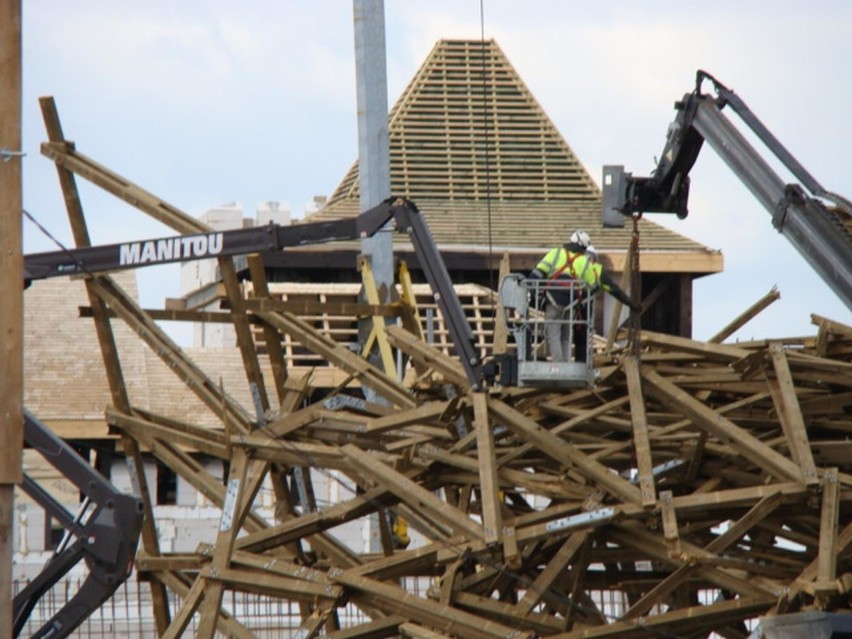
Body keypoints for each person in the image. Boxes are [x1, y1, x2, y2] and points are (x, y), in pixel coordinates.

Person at [529, 230, 639, 362]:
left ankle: (559, 365)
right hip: (571, 303)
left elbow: (536, 274)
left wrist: (534, 291)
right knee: (566, 334)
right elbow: (594, 286)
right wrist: (632, 304)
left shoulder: (556, 253)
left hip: (553, 301)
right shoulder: (584, 262)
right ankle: (565, 364)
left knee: (554, 334)